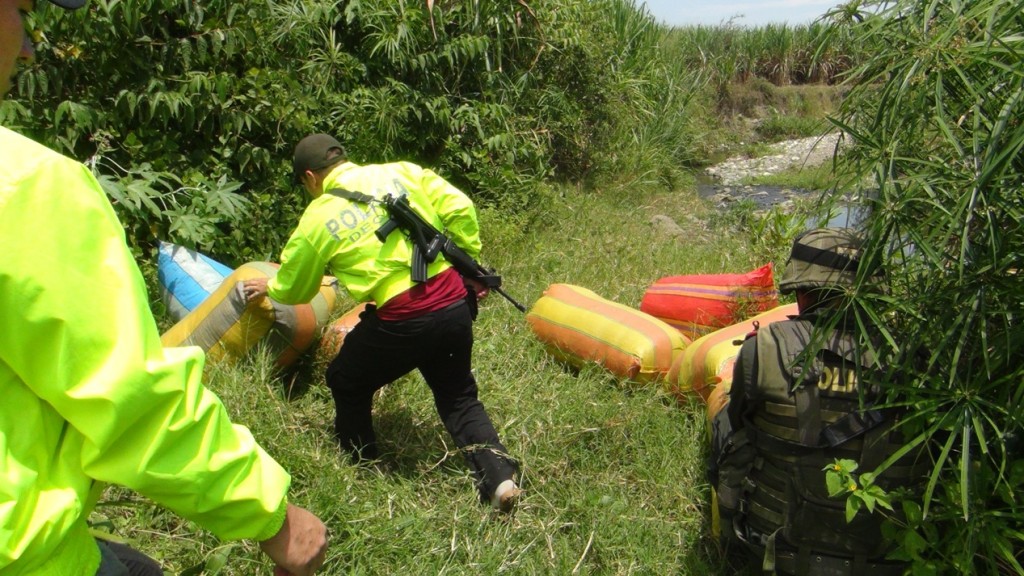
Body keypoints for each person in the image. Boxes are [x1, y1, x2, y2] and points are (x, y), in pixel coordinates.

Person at [1, 1, 328, 574]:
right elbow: (129, 399)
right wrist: (270, 515)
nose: (29, 45)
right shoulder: (23, 187)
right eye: (21, 11)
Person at [242, 134, 522, 512]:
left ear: (309, 176)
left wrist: (270, 286)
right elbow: (461, 205)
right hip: (454, 302)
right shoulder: (400, 172)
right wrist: (468, 257)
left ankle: (362, 465)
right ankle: (500, 480)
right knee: (457, 395)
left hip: (404, 319)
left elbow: (295, 288)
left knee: (345, 379)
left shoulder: (318, 216)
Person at [708, 228, 923, 576]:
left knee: (723, 418)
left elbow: (738, 423)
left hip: (773, 544)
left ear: (802, 291)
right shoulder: (920, 357)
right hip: (892, 556)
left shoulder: (766, 347)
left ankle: (723, 543)